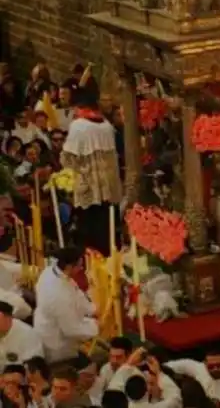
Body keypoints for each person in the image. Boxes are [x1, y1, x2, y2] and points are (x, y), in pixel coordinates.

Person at [60, 87, 122, 256]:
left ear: (79, 106)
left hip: (89, 185)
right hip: (107, 186)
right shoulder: (106, 124)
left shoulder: (78, 125)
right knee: (106, 227)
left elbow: (69, 158)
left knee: (88, 229)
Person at [33, 246, 98, 363]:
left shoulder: (52, 271)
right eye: (79, 266)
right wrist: (96, 327)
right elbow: (71, 329)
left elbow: (75, 292)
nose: (81, 268)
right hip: (56, 341)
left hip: (53, 323)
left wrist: (92, 309)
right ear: (69, 267)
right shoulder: (57, 294)